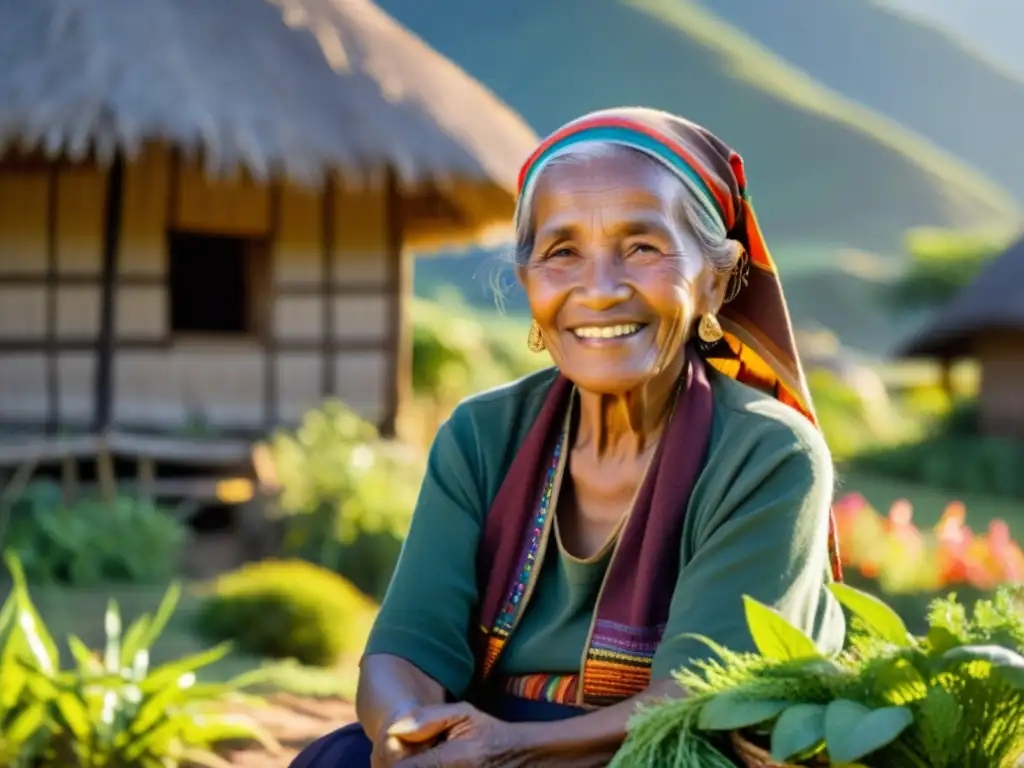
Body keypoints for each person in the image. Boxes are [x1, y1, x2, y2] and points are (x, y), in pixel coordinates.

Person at [291, 107, 846, 768]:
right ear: (527, 282)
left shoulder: (768, 455)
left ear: (715, 281)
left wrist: (512, 750)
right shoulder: (480, 436)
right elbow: (405, 647)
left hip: (666, 747)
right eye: (562, 253)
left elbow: (701, 700)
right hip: (492, 732)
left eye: (642, 247)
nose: (601, 289)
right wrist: (406, 730)